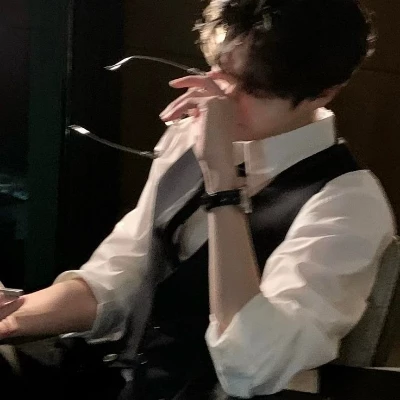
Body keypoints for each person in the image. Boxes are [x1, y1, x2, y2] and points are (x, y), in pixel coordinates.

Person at [0, 0, 396, 399]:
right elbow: (120, 277)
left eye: (254, 89)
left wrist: (222, 183)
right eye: (221, 72)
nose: (221, 99)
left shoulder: (348, 203)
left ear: (324, 93)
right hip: (119, 373)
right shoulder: (188, 135)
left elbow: (251, 367)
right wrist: (12, 318)